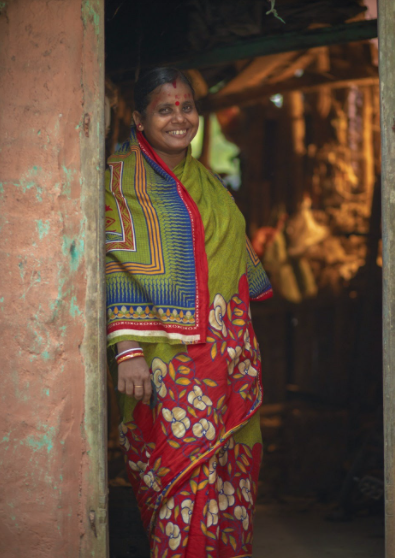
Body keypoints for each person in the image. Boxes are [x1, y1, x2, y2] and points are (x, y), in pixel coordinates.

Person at [105, 67, 272, 558]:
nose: (179, 118)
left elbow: (232, 266)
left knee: (226, 480)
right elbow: (110, 260)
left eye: (186, 107)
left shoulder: (211, 182)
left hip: (227, 359)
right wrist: (127, 347)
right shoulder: (118, 179)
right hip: (163, 365)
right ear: (139, 118)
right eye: (164, 108)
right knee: (177, 482)